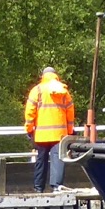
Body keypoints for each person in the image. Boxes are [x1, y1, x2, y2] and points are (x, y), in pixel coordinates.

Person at [23, 65, 76, 193]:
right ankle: (56, 187)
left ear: (43, 76)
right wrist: (69, 132)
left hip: (41, 134)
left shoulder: (37, 90)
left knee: (41, 160)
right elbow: (70, 113)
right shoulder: (63, 91)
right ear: (55, 75)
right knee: (58, 159)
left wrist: (29, 129)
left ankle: (38, 188)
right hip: (59, 134)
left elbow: (30, 112)